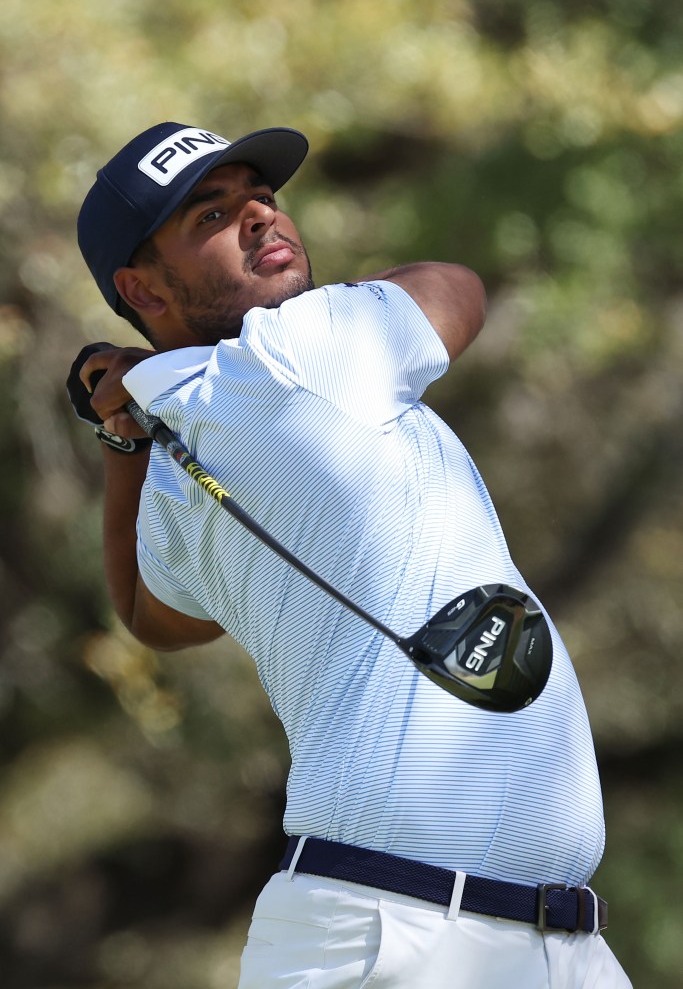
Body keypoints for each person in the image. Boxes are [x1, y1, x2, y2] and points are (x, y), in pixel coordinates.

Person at [72, 120, 631, 988]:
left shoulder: (180, 471)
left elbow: (154, 617)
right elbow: (454, 287)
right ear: (142, 290)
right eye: (211, 215)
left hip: (532, 941)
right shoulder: (311, 344)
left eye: (261, 196)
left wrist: (125, 437)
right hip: (400, 936)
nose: (259, 216)